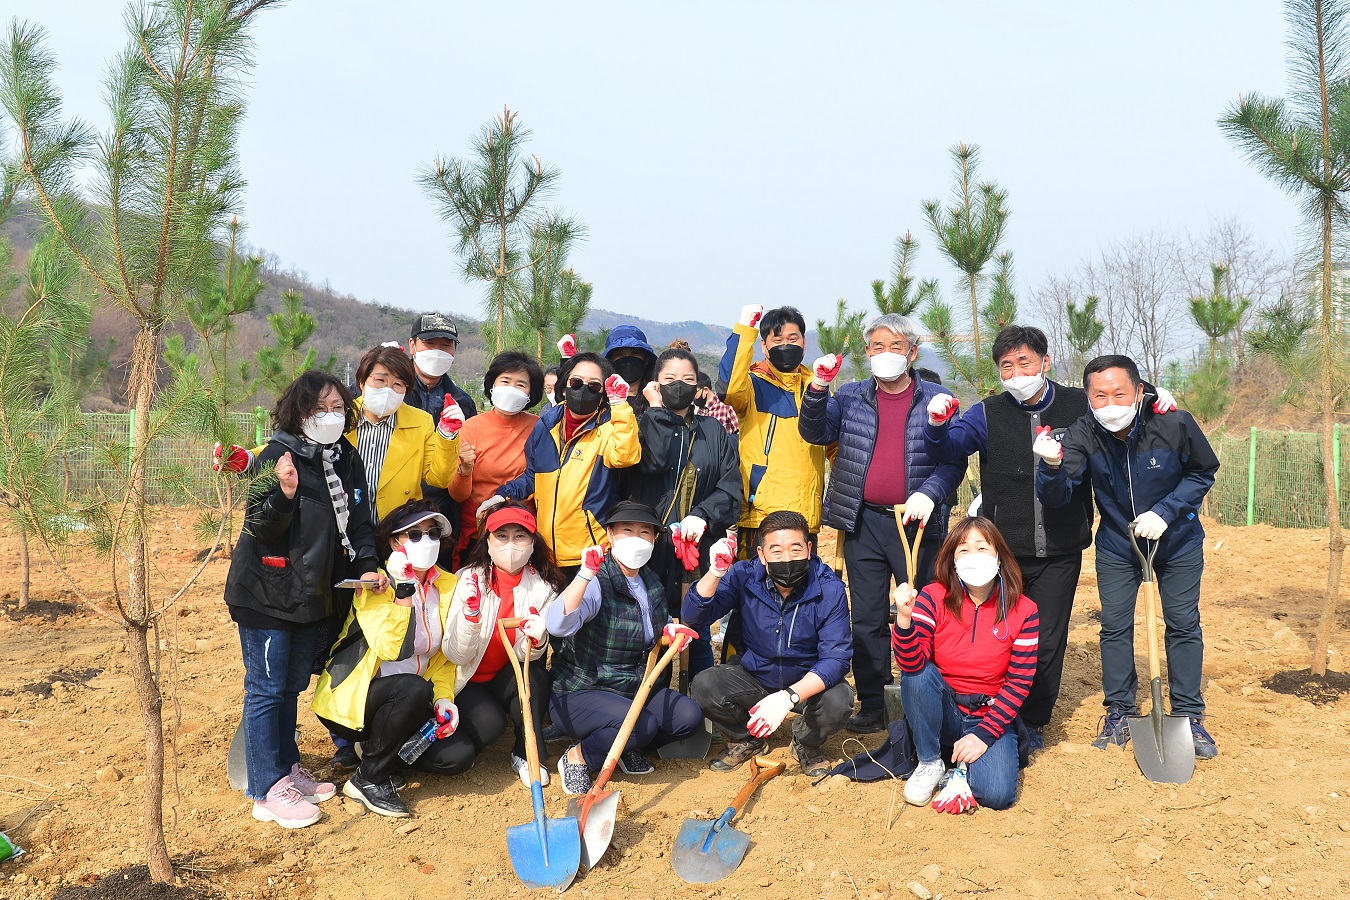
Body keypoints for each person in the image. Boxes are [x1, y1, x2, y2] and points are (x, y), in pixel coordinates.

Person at [923, 326, 1178, 752]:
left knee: (1047, 640)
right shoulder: (987, 413)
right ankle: (996, 716)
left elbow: (1117, 397)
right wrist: (935, 425)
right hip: (1005, 550)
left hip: (1061, 545)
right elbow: (949, 447)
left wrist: (1154, 396)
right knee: (1002, 632)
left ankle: (1034, 721)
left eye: (1025, 362)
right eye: (1007, 366)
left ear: (1045, 361)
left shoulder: (1078, 404)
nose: (1016, 372)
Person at [1035, 354, 1219, 759]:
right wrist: (1050, 466)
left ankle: (1188, 714)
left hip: (1178, 542)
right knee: (1115, 627)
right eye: (1099, 395)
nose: (1110, 403)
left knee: (1183, 623)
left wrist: (1166, 512)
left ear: (1139, 391)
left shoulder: (1173, 422)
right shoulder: (1083, 433)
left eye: (1120, 393)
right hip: (1120, 545)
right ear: (1088, 397)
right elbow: (1061, 495)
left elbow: (1203, 471)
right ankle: (1119, 710)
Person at [224, 370, 382, 828]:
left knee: (290, 686)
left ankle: (286, 767)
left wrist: (367, 564)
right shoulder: (277, 456)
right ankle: (265, 788)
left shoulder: (344, 458)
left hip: (313, 596)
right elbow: (261, 528)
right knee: (266, 689)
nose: (330, 417)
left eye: (337, 409)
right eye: (319, 410)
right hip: (268, 595)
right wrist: (285, 494)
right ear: (298, 412)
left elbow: (358, 520)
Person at [799, 313, 966, 735]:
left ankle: (926, 694)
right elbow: (814, 432)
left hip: (917, 523)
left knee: (925, 609)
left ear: (911, 353)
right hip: (863, 521)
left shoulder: (935, 398)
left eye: (895, 347)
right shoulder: (851, 396)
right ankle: (874, 700)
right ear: (866, 353)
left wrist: (928, 494)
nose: (884, 354)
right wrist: (818, 388)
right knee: (868, 616)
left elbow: (953, 461)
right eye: (876, 346)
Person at [545, 501, 705, 794]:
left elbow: (656, 622)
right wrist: (583, 575)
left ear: (655, 540)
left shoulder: (651, 581)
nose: (637, 539)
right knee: (641, 725)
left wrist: (670, 629)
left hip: (632, 687)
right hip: (582, 690)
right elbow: (557, 625)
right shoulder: (596, 581)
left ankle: (623, 743)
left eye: (645, 533)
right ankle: (579, 755)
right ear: (610, 535)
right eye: (627, 530)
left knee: (688, 718)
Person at [312, 502, 459, 818]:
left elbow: (446, 657)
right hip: (351, 702)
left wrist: (445, 700)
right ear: (394, 543)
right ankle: (369, 779)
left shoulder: (447, 585)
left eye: (433, 534)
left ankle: (378, 753)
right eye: (414, 535)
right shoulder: (374, 584)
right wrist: (403, 590)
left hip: (405, 703)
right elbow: (392, 648)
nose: (427, 541)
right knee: (413, 689)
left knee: (458, 756)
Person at [684, 510, 854, 778]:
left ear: (809, 549)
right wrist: (715, 572)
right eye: (776, 551)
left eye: (795, 549)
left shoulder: (829, 589)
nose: (786, 559)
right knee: (705, 684)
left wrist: (789, 697)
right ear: (761, 555)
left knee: (840, 700)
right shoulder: (744, 576)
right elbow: (694, 616)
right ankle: (746, 738)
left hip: (805, 682)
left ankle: (806, 743)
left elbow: (836, 659)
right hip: (754, 677)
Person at [892, 516, 1039, 811]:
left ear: (999, 557)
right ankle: (930, 761)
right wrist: (904, 619)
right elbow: (911, 664)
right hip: (942, 707)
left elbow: (1019, 682)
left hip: (988, 712)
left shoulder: (1024, 610)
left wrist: (984, 735)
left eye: (982, 548)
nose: (973, 556)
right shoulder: (934, 596)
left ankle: (958, 771)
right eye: (963, 550)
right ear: (952, 560)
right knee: (918, 674)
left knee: (996, 794)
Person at [631, 347, 743, 679]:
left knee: (699, 629)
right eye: (670, 379)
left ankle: (699, 712)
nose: (678, 385)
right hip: (649, 546)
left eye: (687, 379)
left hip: (698, 546)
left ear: (698, 387)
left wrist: (702, 515)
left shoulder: (713, 431)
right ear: (655, 383)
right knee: (651, 629)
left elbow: (731, 488)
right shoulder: (640, 426)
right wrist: (655, 413)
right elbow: (648, 466)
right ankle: (654, 703)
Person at [441, 502, 565, 785]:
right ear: (487, 541)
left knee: (535, 676)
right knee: (490, 727)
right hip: (467, 677)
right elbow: (456, 655)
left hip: (505, 675)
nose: (511, 545)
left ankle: (527, 754)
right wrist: (470, 618)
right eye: (502, 536)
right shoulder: (468, 580)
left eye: (520, 536)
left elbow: (527, 656)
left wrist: (537, 638)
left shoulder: (544, 588)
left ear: (533, 542)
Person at [487, 352, 642, 573]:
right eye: (576, 382)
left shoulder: (610, 429)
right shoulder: (545, 426)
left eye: (594, 386)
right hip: (545, 552)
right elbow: (533, 477)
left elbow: (625, 457)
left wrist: (620, 405)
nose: (583, 390)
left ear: (603, 394)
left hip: (591, 555)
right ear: (564, 385)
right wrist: (504, 493)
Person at [718, 305, 832, 549]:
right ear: (764, 345)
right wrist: (744, 328)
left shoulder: (816, 386)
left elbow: (833, 444)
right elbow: (728, 389)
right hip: (762, 516)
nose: (785, 345)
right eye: (777, 339)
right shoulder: (753, 384)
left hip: (805, 515)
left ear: (804, 342)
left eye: (793, 338)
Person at [449, 351, 544, 565]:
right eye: (505, 381)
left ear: (531, 393)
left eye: (521, 384)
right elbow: (458, 495)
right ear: (492, 385)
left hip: (523, 531)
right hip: (479, 532)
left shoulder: (540, 427)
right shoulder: (471, 428)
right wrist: (464, 470)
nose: (511, 389)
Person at [350, 345, 463, 523]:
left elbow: (439, 478)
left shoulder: (420, 422)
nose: (388, 390)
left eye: (398, 385)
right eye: (380, 380)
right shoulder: (342, 417)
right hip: (346, 527)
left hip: (397, 526)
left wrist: (447, 434)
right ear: (362, 382)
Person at [604, 325, 658, 416]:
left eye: (635, 354)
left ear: (646, 360)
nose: (628, 360)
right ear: (611, 361)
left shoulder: (656, 397)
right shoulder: (601, 399)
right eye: (620, 355)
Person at [694, 371, 739, 435]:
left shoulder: (726, 407)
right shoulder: (700, 412)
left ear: (705, 390)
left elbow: (740, 432)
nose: (693, 396)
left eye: (695, 392)